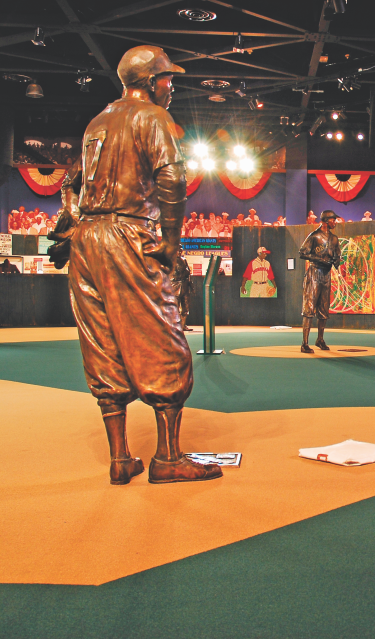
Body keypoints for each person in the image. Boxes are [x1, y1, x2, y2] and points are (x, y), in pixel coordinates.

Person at [53, 45, 221, 486]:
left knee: (101, 340)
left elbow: (68, 185)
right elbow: (171, 177)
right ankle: (168, 457)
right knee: (162, 335)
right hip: (130, 234)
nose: (172, 87)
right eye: (168, 79)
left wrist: (74, 223)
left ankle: (120, 458)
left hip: (88, 240)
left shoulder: (98, 123)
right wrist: (169, 241)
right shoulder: (152, 118)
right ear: (150, 82)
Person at [298, 210, 341, 353]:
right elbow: (302, 252)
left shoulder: (334, 238)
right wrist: (319, 259)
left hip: (326, 274)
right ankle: (304, 343)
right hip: (314, 273)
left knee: (324, 308)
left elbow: (337, 254)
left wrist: (336, 260)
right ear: (325, 221)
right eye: (333, 220)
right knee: (309, 307)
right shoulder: (314, 236)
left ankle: (320, 339)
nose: (335, 222)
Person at [170, 248, 194, 331]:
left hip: (185, 286)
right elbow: (173, 274)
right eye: (178, 250)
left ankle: (183, 325)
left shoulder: (184, 260)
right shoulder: (170, 260)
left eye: (180, 250)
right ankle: (175, 325)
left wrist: (191, 286)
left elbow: (188, 273)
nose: (179, 252)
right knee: (175, 307)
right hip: (175, 286)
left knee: (185, 308)